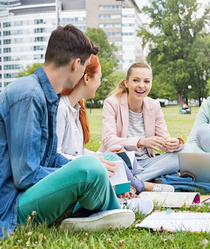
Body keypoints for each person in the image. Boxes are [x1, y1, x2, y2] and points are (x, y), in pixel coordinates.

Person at [0, 25, 134, 239]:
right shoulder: (29, 95)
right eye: (85, 67)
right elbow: (25, 176)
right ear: (76, 64)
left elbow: (50, 156)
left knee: (98, 163)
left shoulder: (47, 96)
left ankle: (97, 211)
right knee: (88, 167)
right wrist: (79, 171)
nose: (84, 74)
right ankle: (107, 211)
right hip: (12, 205)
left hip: (27, 194)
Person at [56, 55, 173, 196]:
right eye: (99, 78)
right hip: (74, 172)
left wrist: (101, 156)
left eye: (146, 81)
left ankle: (126, 183)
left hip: (140, 162)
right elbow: (56, 156)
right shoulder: (61, 108)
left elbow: (78, 151)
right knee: (117, 156)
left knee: (117, 158)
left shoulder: (76, 109)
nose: (99, 83)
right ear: (87, 79)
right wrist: (98, 160)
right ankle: (140, 185)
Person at [101, 62, 185, 183]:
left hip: (147, 163)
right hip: (123, 161)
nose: (141, 86)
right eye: (136, 80)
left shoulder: (154, 105)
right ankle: (145, 179)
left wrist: (173, 144)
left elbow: (163, 140)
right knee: (115, 149)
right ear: (126, 83)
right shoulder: (112, 103)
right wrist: (141, 142)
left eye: (146, 81)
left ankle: (137, 180)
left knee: (186, 151)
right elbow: (109, 140)